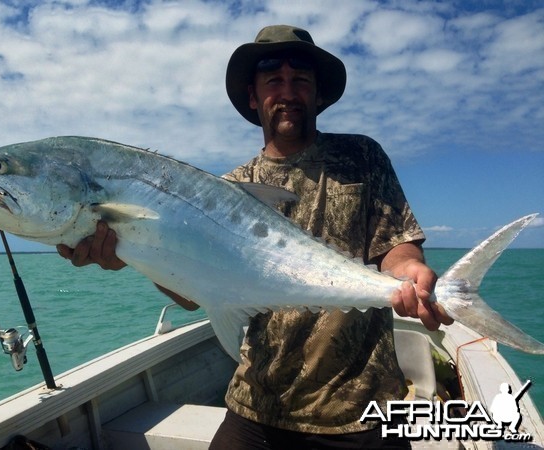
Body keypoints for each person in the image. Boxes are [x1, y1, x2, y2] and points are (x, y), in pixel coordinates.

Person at [57, 25, 453, 449]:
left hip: (359, 407)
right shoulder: (226, 190)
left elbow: (395, 243)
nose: (288, 92)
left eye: (300, 81)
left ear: (318, 94)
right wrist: (131, 251)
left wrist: (408, 268)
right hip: (258, 404)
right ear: (253, 97)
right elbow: (192, 294)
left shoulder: (360, 158)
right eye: (273, 82)